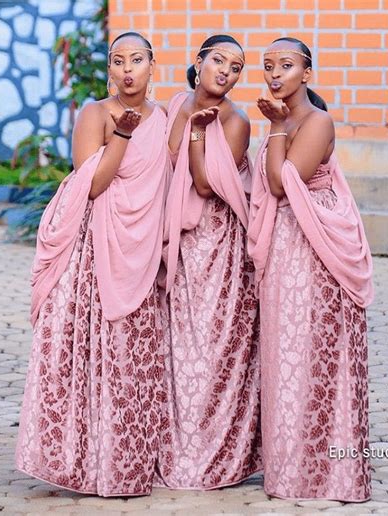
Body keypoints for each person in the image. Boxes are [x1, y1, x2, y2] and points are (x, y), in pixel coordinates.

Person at [15, 32, 170, 497]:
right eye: (118, 61)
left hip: (143, 251)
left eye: (137, 60)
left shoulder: (162, 118)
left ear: (151, 65)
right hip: (96, 250)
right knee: (96, 352)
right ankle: (84, 460)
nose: (128, 70)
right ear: (109, 68)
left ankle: (128, 462)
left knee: (132, 358)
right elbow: (92, 184)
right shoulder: (95, 114)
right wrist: (121, 134)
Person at [248, 37, 374, 502]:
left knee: (313, 353)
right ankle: (289, 469)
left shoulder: (316, 120)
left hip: (314, 251)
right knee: (285, 357)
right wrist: (277, 127)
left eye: (286, 65)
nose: (275, 74)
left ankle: (329, 472)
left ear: (307, 72)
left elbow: (284, 183)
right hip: (284, 251)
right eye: (268, 66)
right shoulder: (279, 121)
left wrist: (279, 128)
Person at [155, 35, 262, 490]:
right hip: (176, 239)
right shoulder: (175, 102)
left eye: (236, 67)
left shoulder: (236, 121)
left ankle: (212, 457)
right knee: (178, 347)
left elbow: (202, 184)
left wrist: (199, 130)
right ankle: (173, 450)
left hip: (216, 247)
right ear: (198, 61)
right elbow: (159, 163)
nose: (226, 71)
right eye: (218, 60)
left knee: (212, 349)